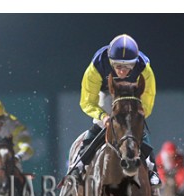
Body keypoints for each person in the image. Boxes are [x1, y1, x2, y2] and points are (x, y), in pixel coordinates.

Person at [69, 33, 160, 187]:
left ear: (135, 63)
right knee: (99, 125)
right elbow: (87, 101)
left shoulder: (145, 69)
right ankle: (79, 164)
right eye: (117, 66)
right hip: (107, 93)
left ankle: (152, 169)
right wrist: (103, 116)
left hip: (132, 96)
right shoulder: (97, 66)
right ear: (110, 61)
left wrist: (135, 118)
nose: (122, 71)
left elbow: (147, 102)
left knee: (136, 127)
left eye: (128, 67)